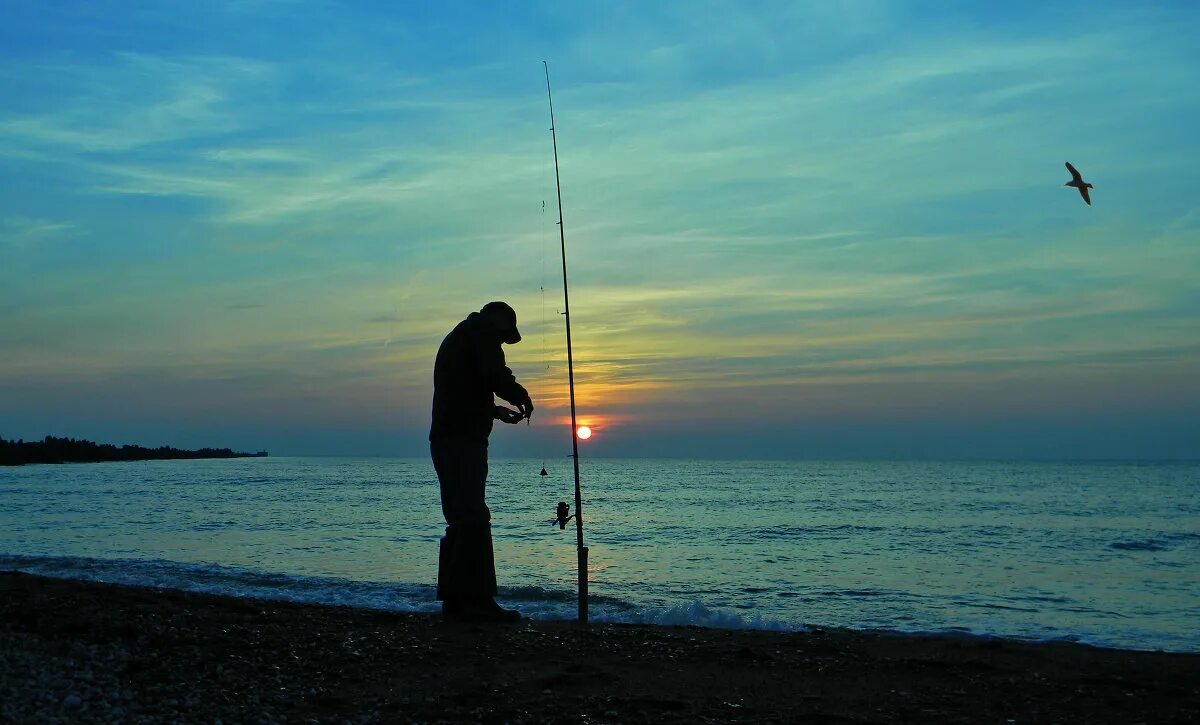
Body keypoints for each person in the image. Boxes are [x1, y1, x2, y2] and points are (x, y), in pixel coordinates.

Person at [430, 301, 534, 622]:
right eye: (504, 337)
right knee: (473, 517)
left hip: (446, 438)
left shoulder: (459, 337)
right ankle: (479, 602)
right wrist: (520, 396)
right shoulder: (481, 336)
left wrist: (492, 411)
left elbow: (463, 389)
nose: (503, 344)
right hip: (463, 441)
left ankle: (455, 602)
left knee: (459, 518)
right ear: (498, 324)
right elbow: (494, 376)